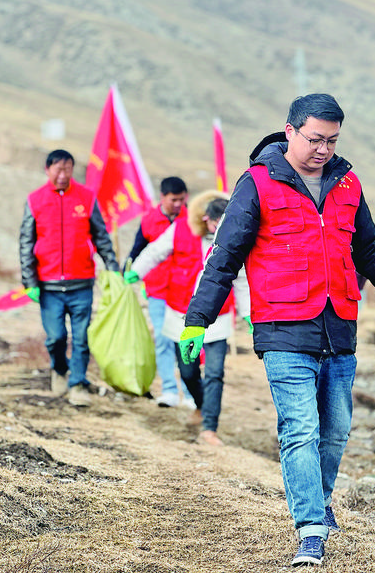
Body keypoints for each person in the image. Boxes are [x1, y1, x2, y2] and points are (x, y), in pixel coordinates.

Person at [181, 94, 375, 568]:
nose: (323, 149)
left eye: (333, 140)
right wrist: (198, 320)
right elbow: (224, 258)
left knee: (336, 430)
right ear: (290, 131)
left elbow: (371, 252)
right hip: (283, 327)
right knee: (300, 429)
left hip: (338, 324)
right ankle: (310, 529)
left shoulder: (347, 183)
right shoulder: (257, 183)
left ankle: (320, 502)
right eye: (315, 139)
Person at [125, 190, 250, 446]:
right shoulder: (181, 229)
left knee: (215, 373)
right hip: (179, 313)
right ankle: (201, 405)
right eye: (216, 224)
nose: (220, 229)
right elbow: (155, 251)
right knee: (188, 371)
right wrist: (136, 271)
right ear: (206, 219)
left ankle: (209, 428)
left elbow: (241, 280)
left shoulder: (234, 240)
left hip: (218, 317)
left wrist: (249, 314)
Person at [19, 150, 119, 407]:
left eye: (68, 169)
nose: (63, 175)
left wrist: (112, 267)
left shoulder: (86, 197)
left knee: (82, 338)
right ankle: (59, 369)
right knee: (56, 337)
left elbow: (101, 237)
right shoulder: (35, 200)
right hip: (48, 284)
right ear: (47, 170)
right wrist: (29, 281)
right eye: (58, 170)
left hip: (81, 282)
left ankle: (78, 384)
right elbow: (26, 242)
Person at [126, 176, 193, 408]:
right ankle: (169, 391)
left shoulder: (192, 220)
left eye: (182, 200)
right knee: (163, 341)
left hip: (185, 292)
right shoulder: (149, 220)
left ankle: (190, 392)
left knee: (186, 341)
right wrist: (129, 270)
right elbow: (137, 250)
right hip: (157, 291)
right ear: (162, 197)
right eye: (174, 200)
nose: (178, 204)